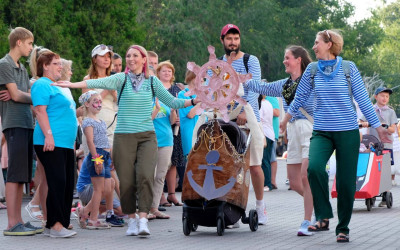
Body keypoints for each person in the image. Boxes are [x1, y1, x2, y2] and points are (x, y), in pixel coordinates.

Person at [53, 44, 199, 236]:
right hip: (122, 137)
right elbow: (95, 84)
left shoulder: (152, 81)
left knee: (146, 176)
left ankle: (143, 219)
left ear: (143, 59)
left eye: (135, 55)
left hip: (147, 136)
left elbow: (173, 102)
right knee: (127, 181)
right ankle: (131, 220)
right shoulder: (121, 78)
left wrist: (195, 101)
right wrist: (70, 85)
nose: (130, 59)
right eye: (128, 55)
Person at [280, 30, 388, 243]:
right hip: (321, 130)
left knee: (346, 182)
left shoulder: (348, 68)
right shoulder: (311, 70)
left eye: (317, 42)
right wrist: (285, 119)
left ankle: (343, 228)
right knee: (314, 168)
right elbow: (299, 96)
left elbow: (363, 100)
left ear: (329, 44)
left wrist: (377, 126)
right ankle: (323, 215)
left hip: (347, 131)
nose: (313, 46)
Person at [245, 45, 315, 236]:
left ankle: (308, 220)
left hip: (310, 128)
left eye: (287, 58)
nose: (284, 61)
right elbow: (261, 87)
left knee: (305, 176)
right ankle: (318, 203)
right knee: (293, 182)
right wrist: (239, 80)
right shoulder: (284, 84)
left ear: (298, 60)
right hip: (292, 131)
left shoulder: (311, 79)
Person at [219, 24, 267, 225]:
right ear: (222, 41)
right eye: (229, 39)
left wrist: (243, 113)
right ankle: (233, 208)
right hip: (226, 120)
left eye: (236, 39)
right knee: (230, 166)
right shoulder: (220, 62)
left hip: (249, 117)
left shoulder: (250, 60)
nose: (233, 43)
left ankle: (260, 206)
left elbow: (254, 88)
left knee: (254, 165)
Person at [0, 27, 43, 236]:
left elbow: (22, 94)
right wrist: (25, 96)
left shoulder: (22, 69)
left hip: (27, 123)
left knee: (22, 176)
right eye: (29, 43)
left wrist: (20, 95)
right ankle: (11, 223)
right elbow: (18, 96)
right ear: (19, 42)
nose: (31, 47)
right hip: (14, 123)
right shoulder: (4, 64)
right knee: (14, 176)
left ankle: (19, 220)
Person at [31, 50, 78, 238]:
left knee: (67, 183)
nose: (61, 66)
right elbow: (40, 111)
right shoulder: (41, 84)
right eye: (57, 63)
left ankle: (61, 223)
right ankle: (55, 225)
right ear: (45, 66)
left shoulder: (56, 85)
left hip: (65, 143)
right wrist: (49, 135)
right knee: (57, 181)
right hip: (50, 141)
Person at [75, 90, 118, 229]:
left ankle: (84, 212)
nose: (99, 104)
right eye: (95, 102)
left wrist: (110, 157)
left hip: (105, 156)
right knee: (99, 189)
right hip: (97, 156)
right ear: (87, 104)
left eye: (100, 101)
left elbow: (105, 140)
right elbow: (91, 142)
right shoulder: (87, 121)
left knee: (106, 187)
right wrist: (96, 159)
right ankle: (93, 219)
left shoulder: (101, 121)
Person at [360, 87, 397, 206]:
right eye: (382, 96)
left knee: (385, 170)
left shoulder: (390, 112)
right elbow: (360, 122)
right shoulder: (370, 110)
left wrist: (385, 126)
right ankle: (371, 192)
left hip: (386, 144)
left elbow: (392, 129)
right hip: (372, 144)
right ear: (376, 97)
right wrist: (363, 123)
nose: (385, 98)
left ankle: (385, 195)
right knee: (372, 169)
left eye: (387, 96)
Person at [156, 61, 184, 205]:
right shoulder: (156, 88)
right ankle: (160, 195)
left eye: (169, 71)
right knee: (161, 163)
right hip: (160, 127)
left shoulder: (176, 89)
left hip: (175, 129)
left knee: (173, 162)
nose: (167, 74)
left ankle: (171, 194)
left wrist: (180, 120)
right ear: (158, 73)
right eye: (164, 71)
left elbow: (181, 106)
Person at [148, 97, 177, 219]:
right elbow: (146, 121)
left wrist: (173, 111)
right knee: (150, 175)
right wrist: (157, 108)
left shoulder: (165, 99)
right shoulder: (144, 99)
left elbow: (172, 122)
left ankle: (154, 208)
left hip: (166, 141)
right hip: (149, 141)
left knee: (160, 176)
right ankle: (145, 208)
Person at [178, 70, 200, 159]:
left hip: (202, 133)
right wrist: (202, 102)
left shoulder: (202, 94)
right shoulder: (182, 94)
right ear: (191, 78)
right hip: (190, 134)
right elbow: (190, 114)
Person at [259, 95, 275, 192]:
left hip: (264, 134)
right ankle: (267, 183)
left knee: (264, 160)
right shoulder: (268, 103)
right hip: (270, 133)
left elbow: (259, 119)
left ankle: (267, 184)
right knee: (267, 160)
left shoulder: (260, 104)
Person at [266, 96, 279, 189]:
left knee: (272, 157)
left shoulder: (271, 98)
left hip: (272, 132)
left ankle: (273, 181)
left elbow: (277, 112)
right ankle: (267, 180)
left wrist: (264, 106)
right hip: (263, 132)